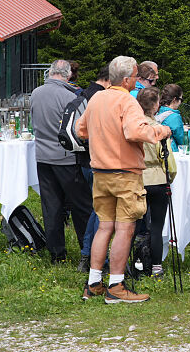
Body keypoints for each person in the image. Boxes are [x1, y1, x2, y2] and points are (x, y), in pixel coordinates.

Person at [78, 55, 173, 304]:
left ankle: (94, 283)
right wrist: (161, 131)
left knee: (104, 226)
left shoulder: (97, 97)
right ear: (128, 78)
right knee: (124, 228)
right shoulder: (127, 101)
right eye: (134, 75)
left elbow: (81, 129)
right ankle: (116, 285)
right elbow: (135, 131)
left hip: (100, 172)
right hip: (124, 173)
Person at [29, 58, 92, 264]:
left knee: (51, 206)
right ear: (68, 75)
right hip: (66, 158)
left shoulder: (35, 94)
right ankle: (87, 249)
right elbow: (81, 129)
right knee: (81, 207)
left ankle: (57, 253)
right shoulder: (70, 97)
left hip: (42, 156)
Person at [138, 87, 176, 278]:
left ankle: (135, 260)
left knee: (135, 224)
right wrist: (170, 176)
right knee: (157, 225)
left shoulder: (134, 127)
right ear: (156, 106)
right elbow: (167, 158)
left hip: (138, 177)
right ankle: (156, 266)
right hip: (158, 178)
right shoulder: (158, 129)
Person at [77, 65, 112, 272]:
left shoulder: (82, 93)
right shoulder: (100, 98)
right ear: (108, 80)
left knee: (96, 210)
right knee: (102, 213)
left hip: (83, 160)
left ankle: (87, 254)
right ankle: (97, 260)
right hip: (98, 161)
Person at [157, 84, 190, 151]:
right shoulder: (174, 117)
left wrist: (181, 127)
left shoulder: (158, 111)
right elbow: (183, 141)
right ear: (175, 99)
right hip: (171, 153)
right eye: (181, 99)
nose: (181, 103)